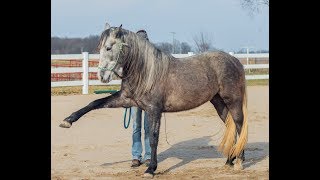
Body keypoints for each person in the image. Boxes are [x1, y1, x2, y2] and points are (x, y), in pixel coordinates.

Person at [131, 30, 151, 168]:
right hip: (135, 98)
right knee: (136, 127)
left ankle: (148, 155)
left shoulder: (151, 60)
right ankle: (136, 156)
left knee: (147, 127)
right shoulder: (131, 59)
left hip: (148, 97)